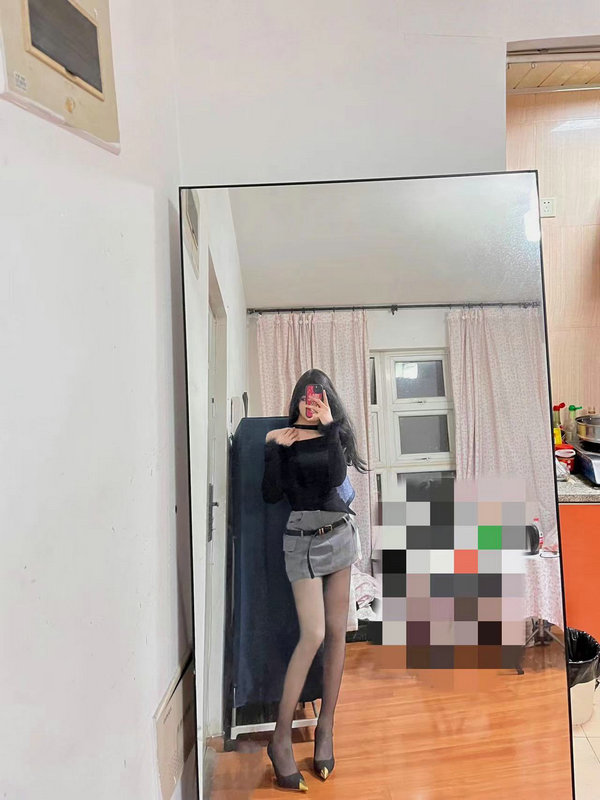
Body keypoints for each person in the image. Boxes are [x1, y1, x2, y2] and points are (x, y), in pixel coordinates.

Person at [262, 368, 368, 791]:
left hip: (339, 533)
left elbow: (337, 480)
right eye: (307, 396)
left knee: (338, 633)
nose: (312, 402)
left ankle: (326, 728)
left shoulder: (332, 434)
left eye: (320, 396)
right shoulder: (284, 438)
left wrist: (330, 430)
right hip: (301, 541)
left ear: (327, 400)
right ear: (297, 399)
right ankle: (279, 739)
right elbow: (271, 494)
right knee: (314, 633)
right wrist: (272, 447)